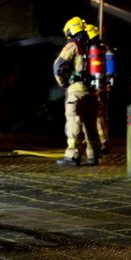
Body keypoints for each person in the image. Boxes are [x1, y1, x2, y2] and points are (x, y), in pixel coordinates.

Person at [53, 16, 100, 166]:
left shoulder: (73, 45)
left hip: (76, 90)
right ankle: (93, 156)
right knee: (90, 124)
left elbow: (58, 66)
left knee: (74, 121)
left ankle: (72, 155)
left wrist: (63, 82)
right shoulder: (92, 46)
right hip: (92, 90)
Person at [85, 23, 110, 154]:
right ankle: (104, 140)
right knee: (102, 116)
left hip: (97, 87)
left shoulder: (93, 48)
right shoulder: (104, 47)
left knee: (97, 117)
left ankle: (103, 143)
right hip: (103, 86)